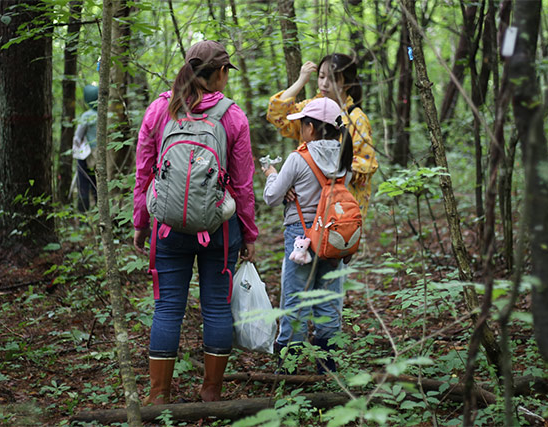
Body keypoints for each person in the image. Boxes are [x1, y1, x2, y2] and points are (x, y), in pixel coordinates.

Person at [133, 40, 258, 404]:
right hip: (219, 229)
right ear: (219, 73)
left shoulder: (160, 109)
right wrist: (249, 233)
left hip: (167, 228)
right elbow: (243, 183)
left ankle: (158, 395)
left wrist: (142, 223)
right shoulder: (232, 116)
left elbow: (144, 174)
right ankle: (211, 391)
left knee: (168, 306)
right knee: (216, 306)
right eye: (225, 71)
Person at [262, 97, 353, 374]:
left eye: (303, 125)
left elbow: (271, 197)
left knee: (295, 297)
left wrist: (272, 175)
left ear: (311, 128)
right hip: (333, 236)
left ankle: (288, 363)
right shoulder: (344, 157)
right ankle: (327, 365)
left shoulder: (298, 158)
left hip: (300, 237)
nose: (301, 130)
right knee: (329, 297)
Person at [267, 53, 378, 219]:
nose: (324, 84)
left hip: (338, 213)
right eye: (321, 76)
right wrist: (301, 80)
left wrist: (307, 175)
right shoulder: (310, 108)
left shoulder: (356, 119)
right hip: (304, 212)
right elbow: (277, 115)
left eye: (332, 79)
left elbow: (365, 164)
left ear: (346, 83)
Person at [72, 84, 98, 212]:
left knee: (83, 185)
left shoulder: (87, 116)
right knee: (97, 186)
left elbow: (77, 137)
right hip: (100, 157)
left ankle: (83, 218)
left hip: (86, 156)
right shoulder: (105, 115)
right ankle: (100, 214)